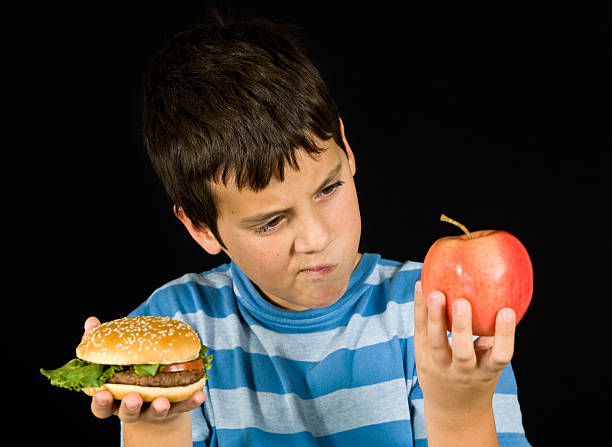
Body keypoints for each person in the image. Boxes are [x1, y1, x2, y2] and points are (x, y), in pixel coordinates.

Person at [84, 14, 531, 447]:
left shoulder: (439, 315)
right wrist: (156, 426)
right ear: (202, 229)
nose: (316, 239)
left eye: (328, 189)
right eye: (271, 222)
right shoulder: (177, 327)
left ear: (347, 149)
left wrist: (461, 408)